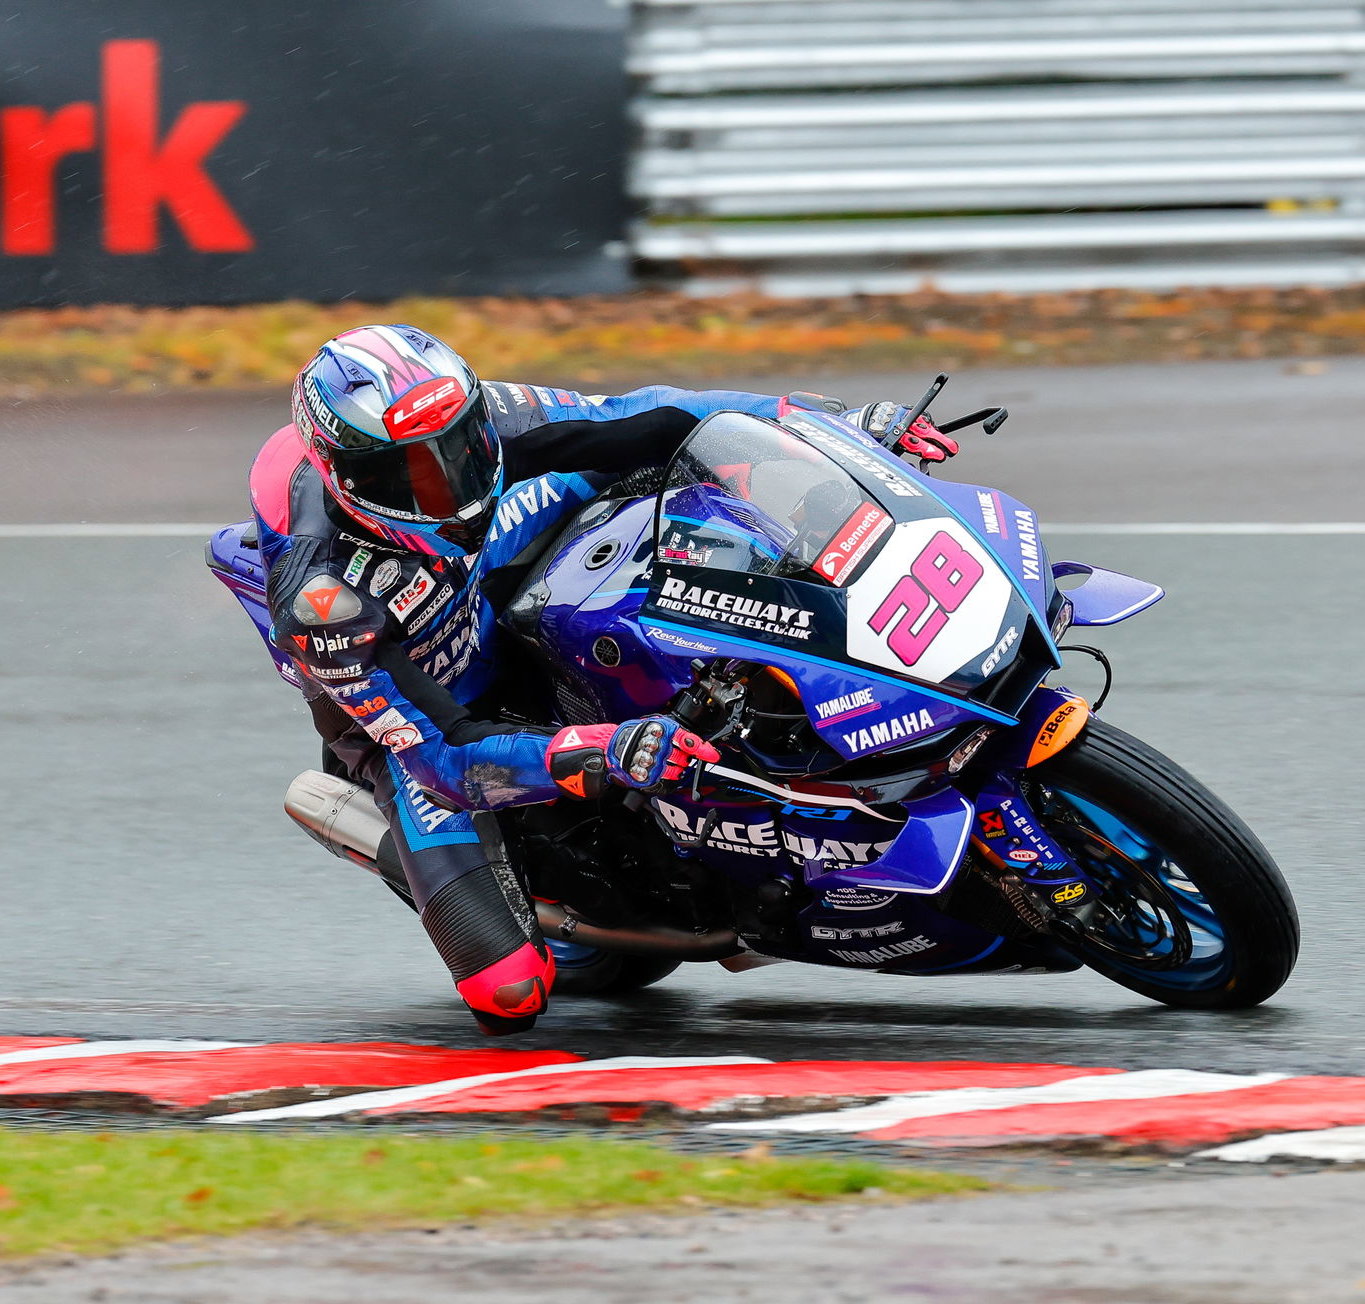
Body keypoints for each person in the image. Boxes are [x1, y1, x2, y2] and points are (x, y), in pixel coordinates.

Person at [249, 323, 959, 1034]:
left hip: (489, 575)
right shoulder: (323, 598)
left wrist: (827, 423)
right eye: (410, 473)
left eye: (459, 448)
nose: (449, 485)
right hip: (428, 723)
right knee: (509, 993)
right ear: (347, 478)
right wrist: (603, 749)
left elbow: (643, 413)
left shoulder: (477, 414)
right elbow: (447, 757)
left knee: (657, 463)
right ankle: (376, 830)